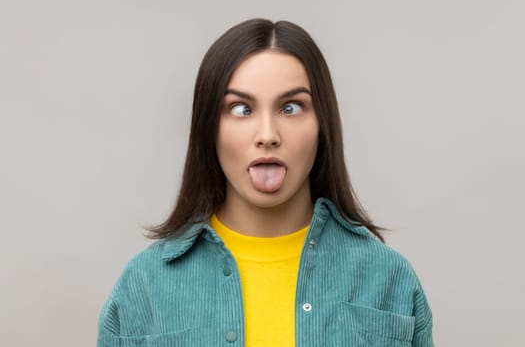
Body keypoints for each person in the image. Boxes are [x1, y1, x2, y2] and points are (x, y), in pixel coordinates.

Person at [97, 18, 434, 347]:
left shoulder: (388, 278)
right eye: (241, 109)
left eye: (291, 107)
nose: (268, 135)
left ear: (322, 123)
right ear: (208, 128)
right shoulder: (144, 285)